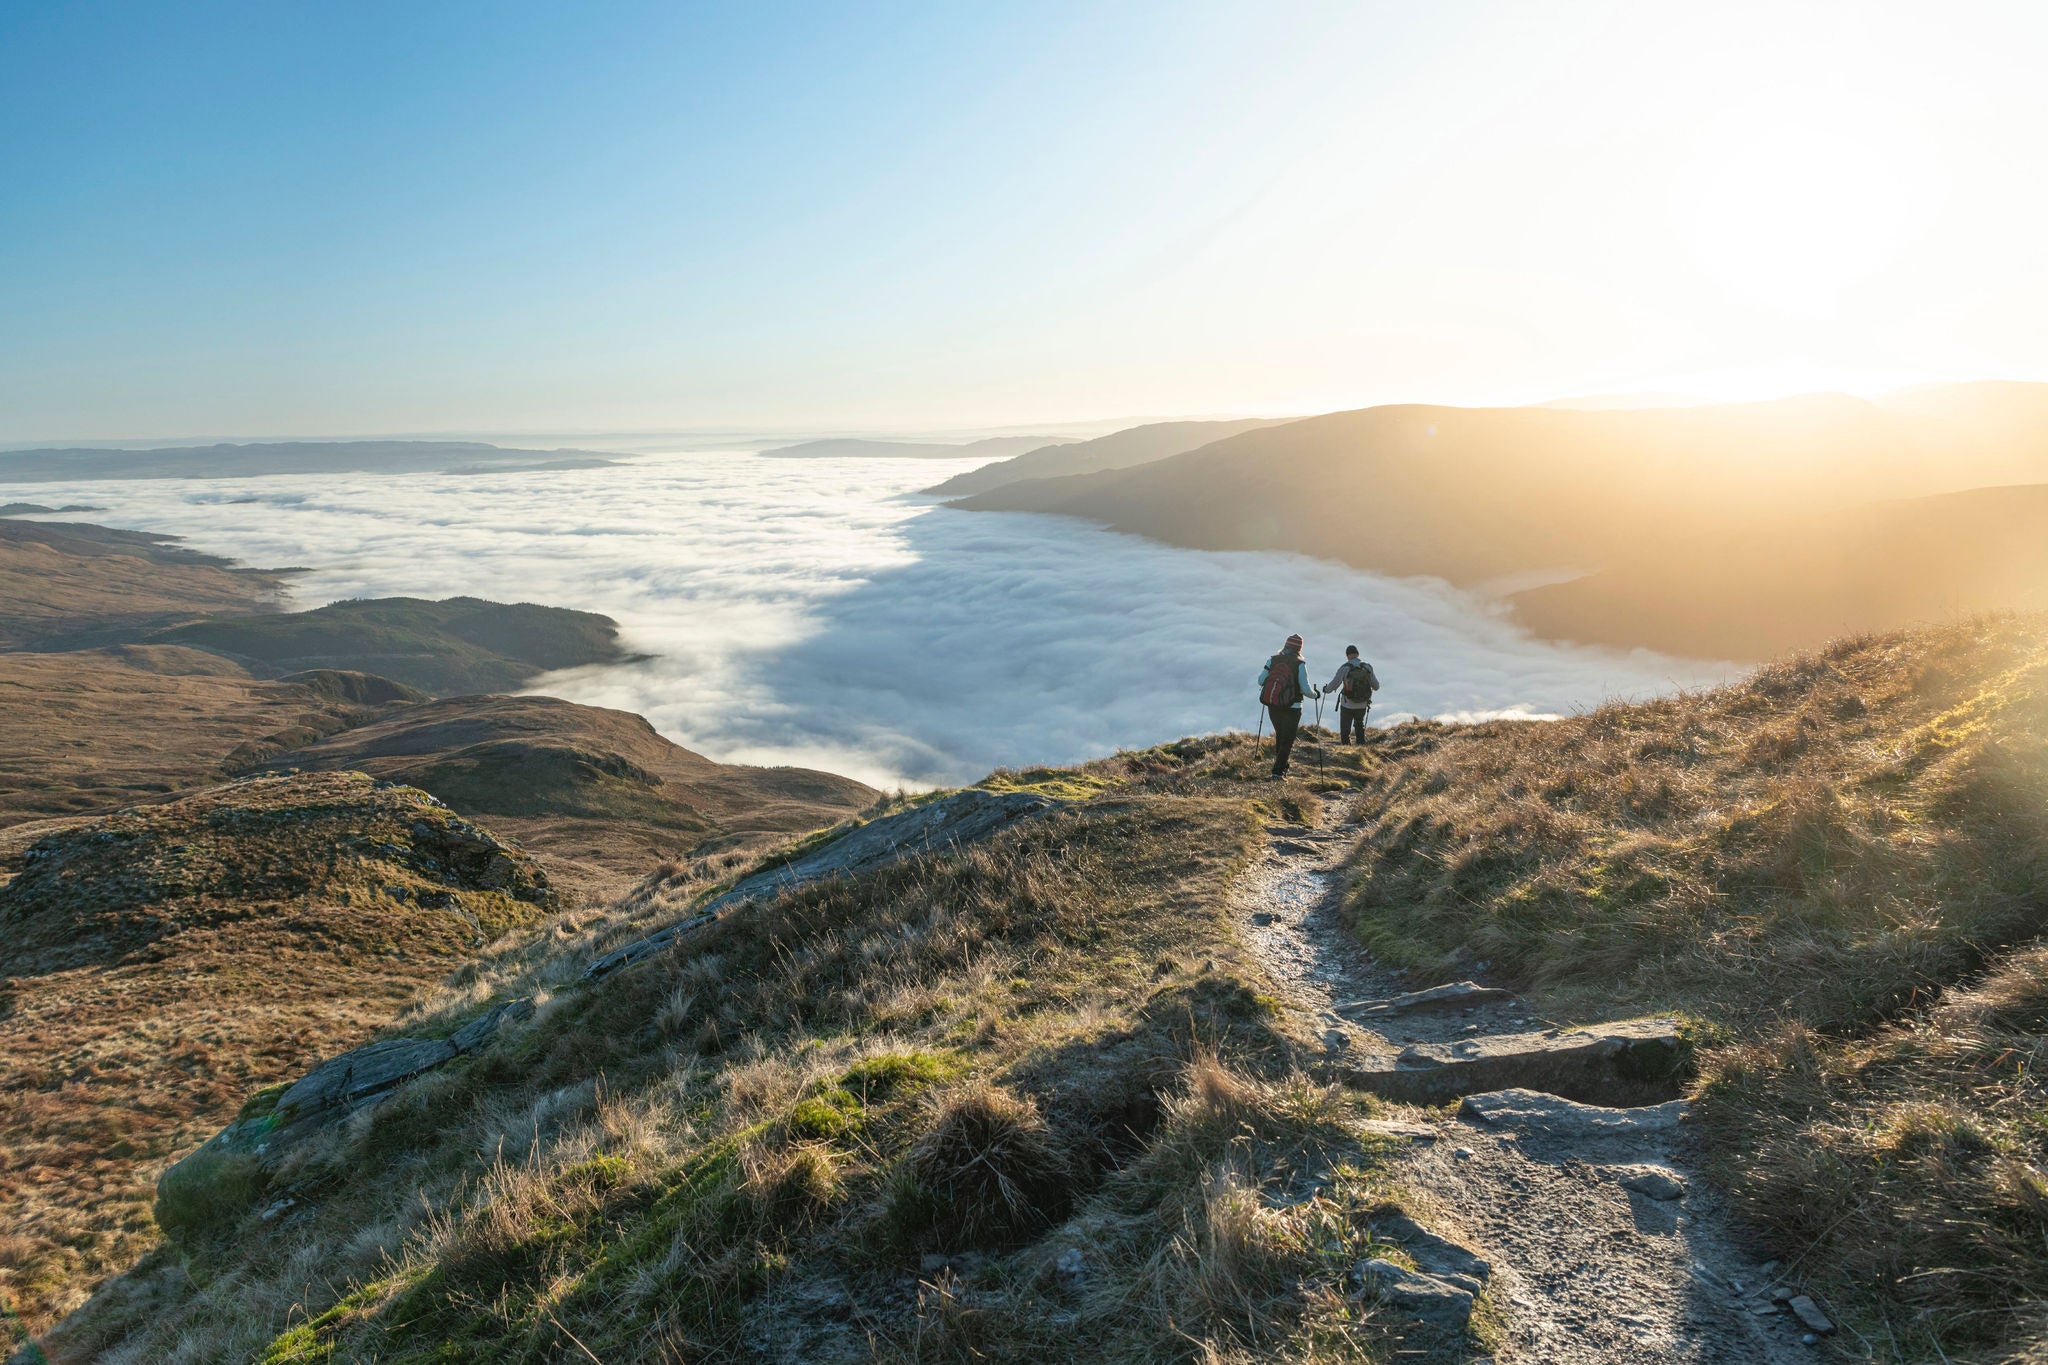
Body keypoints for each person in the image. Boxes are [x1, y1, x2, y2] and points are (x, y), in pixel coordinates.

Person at [1257, 634, 1319, 778]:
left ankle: (1282, 768)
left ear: (1285, 645)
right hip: (1293, 707)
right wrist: (1315, 695)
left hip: (1273, 704)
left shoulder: (1272, 660)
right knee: (1287, 740)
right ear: (1299, 648)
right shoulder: (1300, 663)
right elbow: (1305, 689)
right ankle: (1278, 772)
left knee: (1280, 736)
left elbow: (1260, 680)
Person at [1326, 645, 1379, 744]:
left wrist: (1326, 690)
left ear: (1347, 656)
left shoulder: (1345, 668)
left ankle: (1345, 748)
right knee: (1359, 725)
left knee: (1345, 728)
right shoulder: (1367, 667)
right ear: (1357, 654)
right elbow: (1376, 686)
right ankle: (1361, 747)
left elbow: (1334, 684)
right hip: (1362, 703)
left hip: (1347, 704)